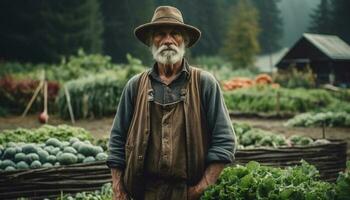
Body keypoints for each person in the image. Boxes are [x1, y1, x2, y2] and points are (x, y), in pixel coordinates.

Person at [107, 5, 236, 200]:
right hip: (144, 193)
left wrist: (201, 188)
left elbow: (225, 142)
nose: (167, 40)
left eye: (175, 33)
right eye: (160, 34)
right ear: (151, 41)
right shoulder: (135, 86)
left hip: (189, 193)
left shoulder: (204, 83)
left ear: (184, 40)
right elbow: (117, 141)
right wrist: (118, 188)